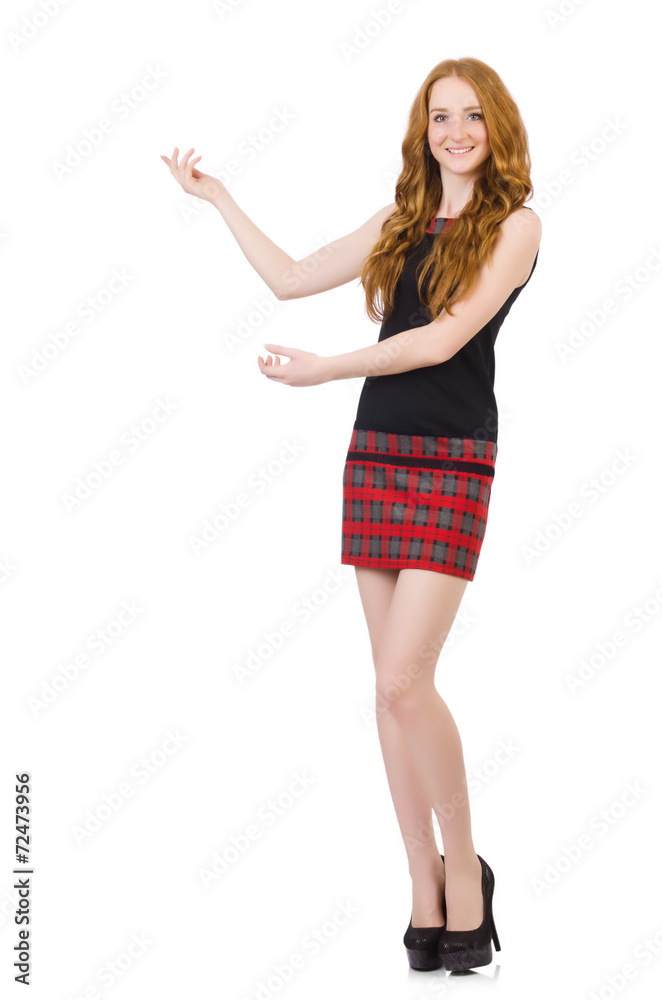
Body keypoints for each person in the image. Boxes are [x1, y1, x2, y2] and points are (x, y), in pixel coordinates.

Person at [161, 55, 541, 973]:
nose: (455, 131)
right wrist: (219, 198)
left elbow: (446, 336)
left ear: (497, 129)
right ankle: (421, 888)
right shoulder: (401, 219)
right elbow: (291, 278)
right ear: (423, 131)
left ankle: (466, 880)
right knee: (386, 690)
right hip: (377, 456)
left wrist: (326, 370)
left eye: (472, 116)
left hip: (453, 461)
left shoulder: (517, 225)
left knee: (409, 682)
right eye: (439, 116)